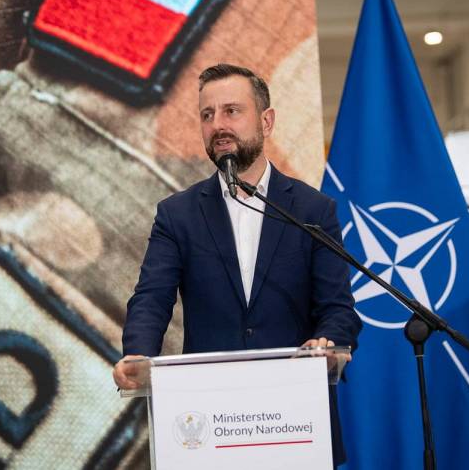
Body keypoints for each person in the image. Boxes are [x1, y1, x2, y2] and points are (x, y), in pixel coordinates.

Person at [114, 63, 362, 465]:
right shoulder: (178, 215)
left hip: (295, 418)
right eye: (207, 115)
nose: (218, 125)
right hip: (211, 422)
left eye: (232, 111)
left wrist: (328, 343)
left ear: (266, 121)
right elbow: (152, 298)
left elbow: (338, 308)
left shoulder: (312, 210)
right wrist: (137, 353)